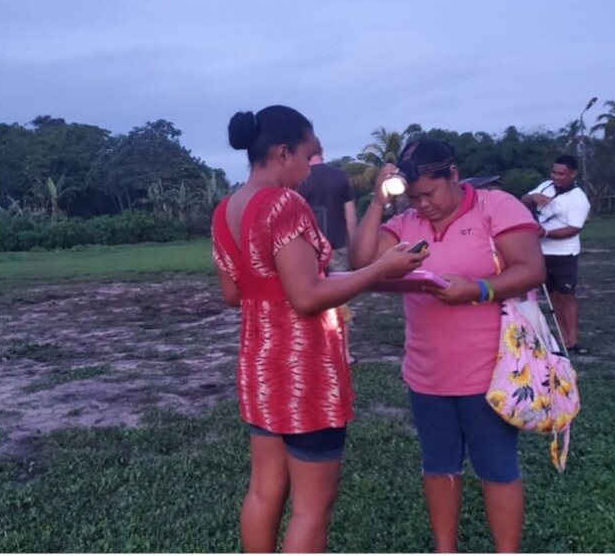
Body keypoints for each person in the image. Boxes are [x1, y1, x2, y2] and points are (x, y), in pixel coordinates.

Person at [212, 105, 429, 553]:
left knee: (263, 489)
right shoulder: (283, 203)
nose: (311, 169)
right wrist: (383, 268)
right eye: (308, 156)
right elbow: (306, 297)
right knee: (313, 505)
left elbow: (236, 295)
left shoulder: (225, 210)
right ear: (282, 151)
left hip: (259, 365)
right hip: (304, 372)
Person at [349, 139, 545, 553]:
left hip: (491, 371)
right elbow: (361, 265)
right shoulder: (405, 224)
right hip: (427, 374)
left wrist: (478, 289)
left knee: (497, 466)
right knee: (438, 466)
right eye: (414, 197)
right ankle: (445, 548)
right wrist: (377, 203)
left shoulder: (495, 207)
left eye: (430, 193)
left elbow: (531, 269)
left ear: (453, 175)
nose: (423, 205)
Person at [520, 154, 591, 355]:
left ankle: (573, 339)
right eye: (554, 172)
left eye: (562, 174)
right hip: (541, 252)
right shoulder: (545, 187)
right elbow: (522, 201)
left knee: (566, 296)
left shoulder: (579, 199)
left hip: (565, 253)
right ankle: (561, 337)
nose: (556, 177)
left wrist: (547, 233)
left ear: (573, 174)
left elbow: (574, 228)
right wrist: (533, 197)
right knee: (552, 298)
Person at [297, 142, 359, 364]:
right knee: (339, 299)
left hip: (305, 251)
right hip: (337, 247)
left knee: (309, 299)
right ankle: (344, 352)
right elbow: (350, 217)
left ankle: (315, 350)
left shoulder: (298, 179)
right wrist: (354, 249)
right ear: (322, 152)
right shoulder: (339, 176)